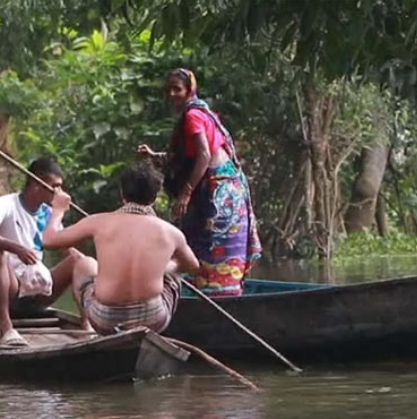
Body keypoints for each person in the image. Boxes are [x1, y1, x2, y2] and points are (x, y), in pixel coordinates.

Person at [137, 68, 261, 296]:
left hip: (219, 192)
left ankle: (216, 296)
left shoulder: (193, 116)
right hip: (226, 188)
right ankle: (218, 293)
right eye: (169, 90)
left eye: (177, 89)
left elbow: (204, 155)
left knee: (211, 245)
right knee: (205, 246)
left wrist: (186, 193)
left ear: (189, 90)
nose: (172, 94)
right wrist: (154, 156)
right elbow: (186, 157)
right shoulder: (199, 112)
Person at [42, 162, 199, 334]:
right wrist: (166, 267)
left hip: (105, 319)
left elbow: (48, 240)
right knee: (174, 273)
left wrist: (58, 211)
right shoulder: (171, 232)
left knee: (84, 264)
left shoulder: (98, 222)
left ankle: (89, 327)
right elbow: (192, 266)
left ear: (122, 194)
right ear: (154, 198)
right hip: (153, 320)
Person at [0, 158, 80, 347]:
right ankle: (6, 327)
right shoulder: (5, 204)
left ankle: (89, 327)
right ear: (37, 183)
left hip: (37, 290)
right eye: (55, 186)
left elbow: (66, 251)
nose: (60, 193)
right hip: (7, 290)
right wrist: (16, 248)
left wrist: (88, 264)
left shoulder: (48, 213)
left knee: (80, 261)